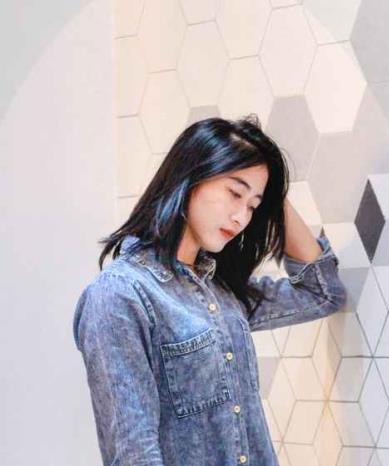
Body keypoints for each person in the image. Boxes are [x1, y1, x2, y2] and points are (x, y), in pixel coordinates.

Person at [72, 115, 348, 466]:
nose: (241, 217)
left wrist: (273, 191)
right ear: (189, 177)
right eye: (234, 193)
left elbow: (322, 292)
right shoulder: (119, 295)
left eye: (253, 205)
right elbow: (134, 454)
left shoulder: (223, 293)